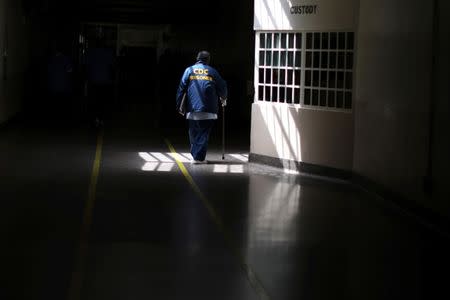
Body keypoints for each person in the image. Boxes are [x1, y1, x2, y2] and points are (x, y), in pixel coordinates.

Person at [176, 50, 227, 164]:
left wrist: (179, 104)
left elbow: (181, 88)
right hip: (209, 108)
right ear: (208, 60)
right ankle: (198, 158)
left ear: (197, 59)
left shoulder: (189, 70)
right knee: (204, 133)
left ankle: (195, 156)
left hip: (192, 108)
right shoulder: (212, 71)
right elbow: (222, 86)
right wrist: (223, 98)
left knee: (193, 132)